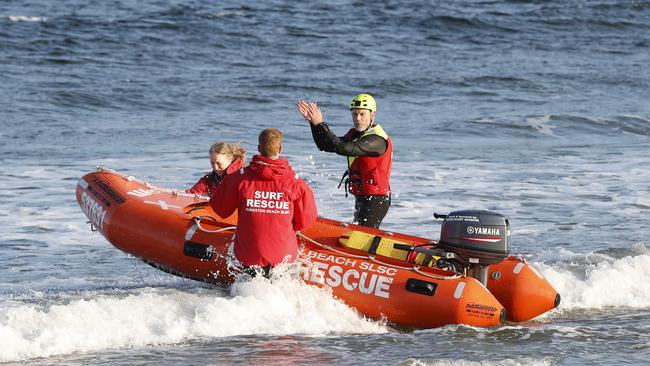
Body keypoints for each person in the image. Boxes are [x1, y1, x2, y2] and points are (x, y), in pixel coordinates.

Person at [210, 128, 318, 275]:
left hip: (249, 254)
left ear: (259, 149)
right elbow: (305, 222)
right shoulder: (297, 183)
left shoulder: (239, 179)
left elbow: (220, 209)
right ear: (280, 148)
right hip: (283, 255)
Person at [297, 93, 393, 229]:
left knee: (362, 235)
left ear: (372, 115)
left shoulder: (377, 140)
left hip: (376, 199)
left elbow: (346, 148)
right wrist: (314, 124)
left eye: (362, 114)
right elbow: (325, 145)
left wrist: (321, 124)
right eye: (354, 114)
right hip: (362, 196)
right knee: (358, 232)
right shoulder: (355, 134)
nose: (358, 119)